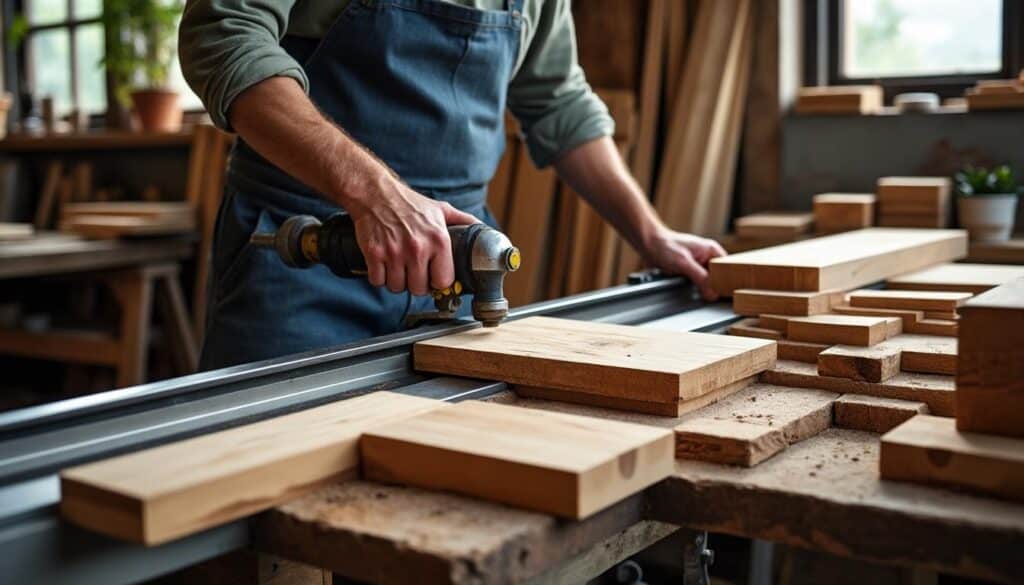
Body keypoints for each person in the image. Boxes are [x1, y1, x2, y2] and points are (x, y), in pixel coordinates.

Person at [179, 0, 726, 370]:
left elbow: (558, 99)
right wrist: (375, 195)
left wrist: (652, 235)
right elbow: (225, 36)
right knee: (265, 492)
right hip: (304, 254)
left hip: (458, 267)